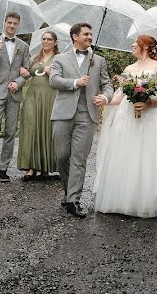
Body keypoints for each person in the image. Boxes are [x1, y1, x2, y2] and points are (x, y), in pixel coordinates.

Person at [94, 35, 157, 218]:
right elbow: (121, 96)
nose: (132, 46)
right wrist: (105, 100)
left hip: (152, 117)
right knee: (128, 154)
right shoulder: (129, 68)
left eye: (135, 44)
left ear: (144, 46)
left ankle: (149, 198)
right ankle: (124, 197)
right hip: (128, 117)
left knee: (149, 155)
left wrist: (149, 103)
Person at [49, 22, 113, 218]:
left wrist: (105, 97)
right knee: (61, 155)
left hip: (88, 115)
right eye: (85, 34)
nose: (89, 37)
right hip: (63, 113)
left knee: (79, 159)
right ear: (75, 36)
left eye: (91, 34)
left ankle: (73, 200)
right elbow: (54, 80)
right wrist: (76, 82)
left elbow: (107, 84)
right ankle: (69, 191)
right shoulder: (59, 59)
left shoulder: (99, 60)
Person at [0, 12, 31, 182]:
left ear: (18, 25)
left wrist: (18, 82)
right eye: (9, 22)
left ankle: (3, 169)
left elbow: (26, 71)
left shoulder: (23, 46)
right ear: (4, 23)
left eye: (15, 23)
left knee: (10, 131)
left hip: (14, 93)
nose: (11, 26)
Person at [17, 30, 59, 181]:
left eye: (49, 39)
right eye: (44, 39)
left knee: (46, 128)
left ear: (55, 42)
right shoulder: (34, 58)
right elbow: (27, 74)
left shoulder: (59, 59)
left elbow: (64, 77)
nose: (46, 42)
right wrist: (21, 73)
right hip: (32, 95)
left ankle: (46, 167)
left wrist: (52, 71)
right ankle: (30, 167)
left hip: (50, 96)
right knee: (31, 127)